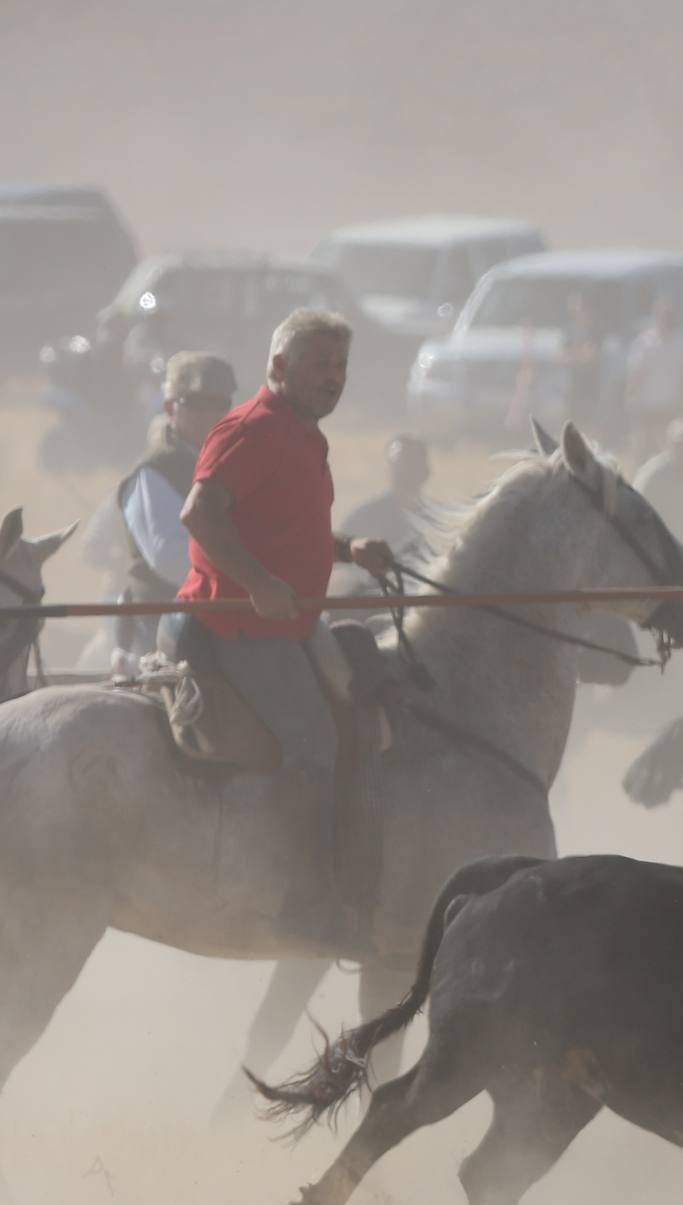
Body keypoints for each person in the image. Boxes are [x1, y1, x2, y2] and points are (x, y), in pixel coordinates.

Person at [175, 308, 397, 947]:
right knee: (315, 745)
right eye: (321, 365)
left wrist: (348, 547)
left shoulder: (302, 434)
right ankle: (300, 903)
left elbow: (281, 529)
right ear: (278, 367)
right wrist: (257, 584)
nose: (334, 379)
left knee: (367, 709)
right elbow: (201, 514)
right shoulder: (252, 430)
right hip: (238, 627)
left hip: (290, 623)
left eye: (341, 368)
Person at [106, 350, 235, 672]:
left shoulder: (238, 463)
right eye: (195, 403)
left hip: (235, 612)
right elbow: (170, 558)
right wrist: (250, 576)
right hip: (167, 626)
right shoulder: (153, 472)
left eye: (218, 404)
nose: (210, 414)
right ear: (169, 408)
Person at [623, 297, 683, 461]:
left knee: (668, 451)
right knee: (642, 450)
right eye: (663, 316)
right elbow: (636, 373)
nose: (666, 320)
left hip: (672, 406)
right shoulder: (645, 343)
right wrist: (631, 398)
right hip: (647, 406)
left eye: (669, 317)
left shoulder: (682, 344)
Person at [338, 434, 435, 573]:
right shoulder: (363, 518)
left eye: (410, 466)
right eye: (399, 467)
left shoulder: (437, 523)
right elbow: (340, 566)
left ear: (425, 473)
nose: (403, 473)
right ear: (388, 470)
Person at [558, 290, 607, 436]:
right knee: (571, 419)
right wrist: (579, 354)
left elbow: (590, 355)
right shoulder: (569, 329)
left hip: (591, 381)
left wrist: (573, 355)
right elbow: (561, 356)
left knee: (590, 419)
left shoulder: (596, 328)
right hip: (573, 382)